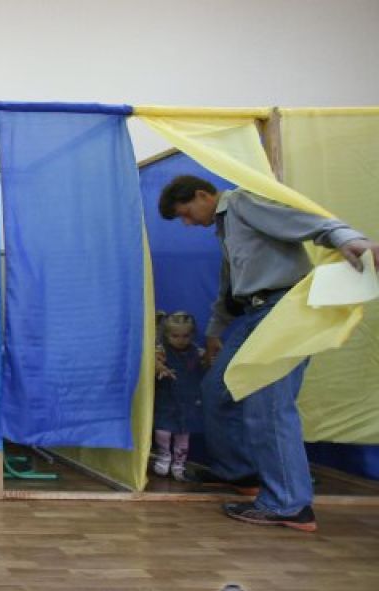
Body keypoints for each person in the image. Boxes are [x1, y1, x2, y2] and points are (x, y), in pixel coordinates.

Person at [158, 175, 379, 532]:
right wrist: (214, 332)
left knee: (269, 405)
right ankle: (238, 472)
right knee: (216, 390)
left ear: (202, 195)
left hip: (284, 309)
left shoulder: (243, 203)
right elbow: (229, 286)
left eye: (186, 213)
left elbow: (305, 220)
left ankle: (289, 504)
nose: (187, 223)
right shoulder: (224, 228)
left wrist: (347, 238)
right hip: (254, 313)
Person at [151, 311, 204, 481]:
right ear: (167, 335)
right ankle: (163, 456)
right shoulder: (162, 350)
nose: (181, 340)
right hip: (167, 399)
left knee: (183, 435)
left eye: (185, 336)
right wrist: (160, 368)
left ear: (192, 335)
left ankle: (179, 464)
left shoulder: (196, 351)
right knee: (162, 431)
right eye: (175, 336)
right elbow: (152, 361)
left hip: (187, 400)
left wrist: (210, 361)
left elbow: (205, 364)